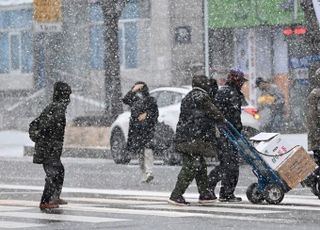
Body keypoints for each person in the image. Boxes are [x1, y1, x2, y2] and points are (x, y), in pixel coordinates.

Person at [168, 75, 225, 206]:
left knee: (199, 165)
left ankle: (204, 193)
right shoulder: (202, 97)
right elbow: (214, 113)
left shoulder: (189, 96)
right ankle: (176, 194)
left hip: (187, 137)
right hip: (193, 138)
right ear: (205, 84)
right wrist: (222, 119)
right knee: (192, 166)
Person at [208, 69, 247, 202]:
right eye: (241, 82)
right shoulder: (232, 94)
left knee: (226, 164)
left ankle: (212, 187)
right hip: (227, 134)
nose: (242, 84)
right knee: (231, 165)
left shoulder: (223, 91)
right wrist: (238, 132)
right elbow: (235, 118)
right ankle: (226, 193)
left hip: (221, 133)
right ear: (238, 81)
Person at [35, 81, 72, 210]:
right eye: (67, 95)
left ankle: (54, 196)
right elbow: (45, 126)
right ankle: (45, 202)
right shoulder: (57, 108)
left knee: (59, 171)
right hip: (48, 148)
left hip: (51, 148)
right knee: (53, 173)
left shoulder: (56, 106)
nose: (69, 99)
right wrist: (49, 142)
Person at [122, 81, 159, 183]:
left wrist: (146, 115)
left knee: (148, 149)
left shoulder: (150, 100)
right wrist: (132, 90)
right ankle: (144, 173)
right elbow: (125, 99)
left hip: (147, 128)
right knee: (140, 152)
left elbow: (155, 113)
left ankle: (149, 172)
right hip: (136, 129)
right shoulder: (133, 99)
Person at [305, 68, 320, 197]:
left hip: (315, 135)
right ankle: (312, 177)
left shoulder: (314, 93)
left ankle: (313, 178)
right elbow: (315, 117)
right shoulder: (317, 95)